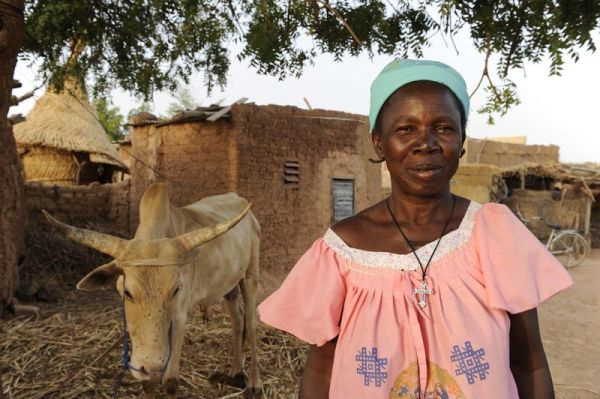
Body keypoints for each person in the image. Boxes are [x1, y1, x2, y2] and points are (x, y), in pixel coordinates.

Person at [258, 59, 573, 399]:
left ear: (462, 141)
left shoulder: (494, 235)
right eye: (406, 129)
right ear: (379, 143)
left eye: (444, 128)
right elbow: (322, 370)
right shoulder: (342, 250)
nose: (426, 143)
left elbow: (529, 364)